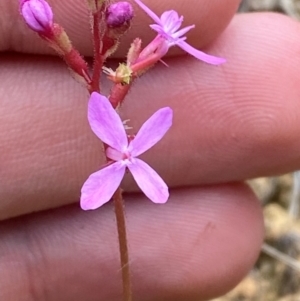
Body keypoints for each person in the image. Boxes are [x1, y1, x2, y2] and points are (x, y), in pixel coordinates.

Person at [1, 0, 299, 299]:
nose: (127, 154)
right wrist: (62, 42)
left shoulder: (124, 103)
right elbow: (99, 104)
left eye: (128, 152)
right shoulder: (106, 115)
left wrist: (142, 58)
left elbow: (109, 104)